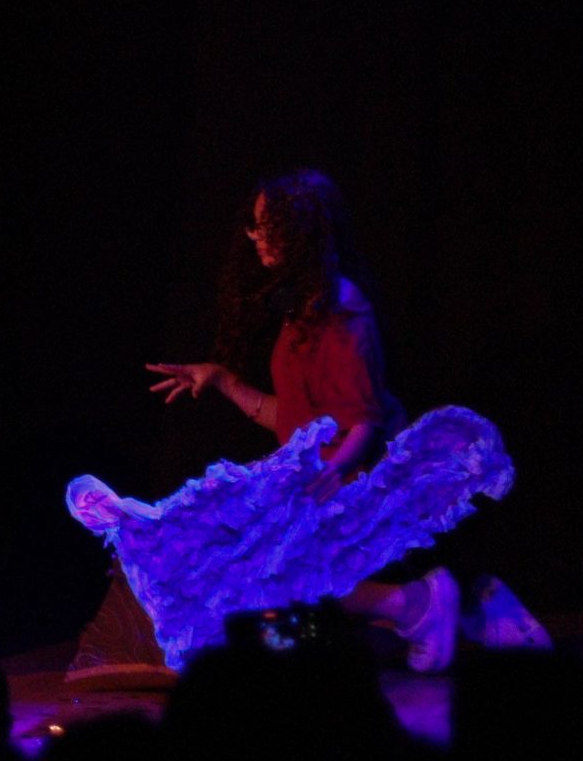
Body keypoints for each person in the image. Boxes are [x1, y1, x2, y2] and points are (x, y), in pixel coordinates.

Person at [71, 169, 530, 670]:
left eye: (268, 226)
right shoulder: (304, 310)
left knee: (261, 573)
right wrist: (222, 379)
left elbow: (364, 420)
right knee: (245, 588)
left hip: (343, 486)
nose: (255, 236)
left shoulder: (340, 311)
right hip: (314, 481)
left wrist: (335, 471)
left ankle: (414, 605)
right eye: (256, 224)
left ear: (301, 231)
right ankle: (408, 610)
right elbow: (292, 419)